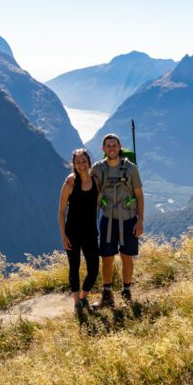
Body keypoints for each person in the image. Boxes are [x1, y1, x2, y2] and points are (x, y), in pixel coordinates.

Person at [91, 133, 144, 307]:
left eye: (114, 145)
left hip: (129, 220)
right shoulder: (97, 169)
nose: (112, 148)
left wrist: (140, 221)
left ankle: (126, 291)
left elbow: (139, 195)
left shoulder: (131, 169)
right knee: (107, 258)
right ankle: (107, 294)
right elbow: (89, 189)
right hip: (108, 219)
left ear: (119, 147)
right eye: (108, 145)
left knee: (127, 256)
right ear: (103, 149)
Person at [57, 148, 100, 322]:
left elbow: (100, 202)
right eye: (78, 162)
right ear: (73, 164)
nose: (81, 165)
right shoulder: (70, 183)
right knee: (74, 268)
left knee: (94, 270)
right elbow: (61, 211)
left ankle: (83, 297)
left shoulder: (96, 182)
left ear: (89, 162)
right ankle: (77, 303)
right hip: (72, 233)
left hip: (90, 232)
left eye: (84, 161)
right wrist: (63, 236)